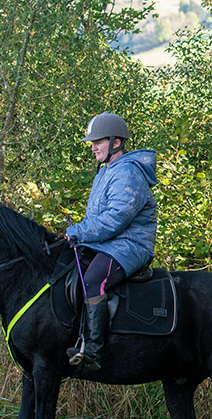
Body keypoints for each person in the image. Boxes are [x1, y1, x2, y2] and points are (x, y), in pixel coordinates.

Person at [64, 112, 157, 372]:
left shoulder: (127, 173)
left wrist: (79, 231)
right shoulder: (105, 171)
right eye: (92, 142)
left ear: (116, 142)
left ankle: (93, 350)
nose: (93, 147)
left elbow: (115, 219)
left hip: (129, 246)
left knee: (94, 280)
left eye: (99, 141)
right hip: (107, 244)